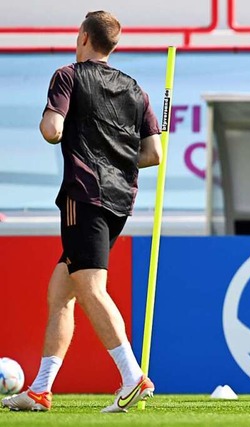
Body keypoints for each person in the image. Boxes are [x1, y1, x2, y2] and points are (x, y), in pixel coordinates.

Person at [1, 11, 162, 413]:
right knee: (61, 293)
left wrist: (53, 123)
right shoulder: (136, 89)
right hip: (120, 200)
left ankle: (132, 376)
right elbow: (154, 154)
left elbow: (52, 130)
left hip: (84, 195)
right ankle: (40, 388)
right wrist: (115, 160)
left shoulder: (68, 75)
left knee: (89, 287)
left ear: (83, 36)